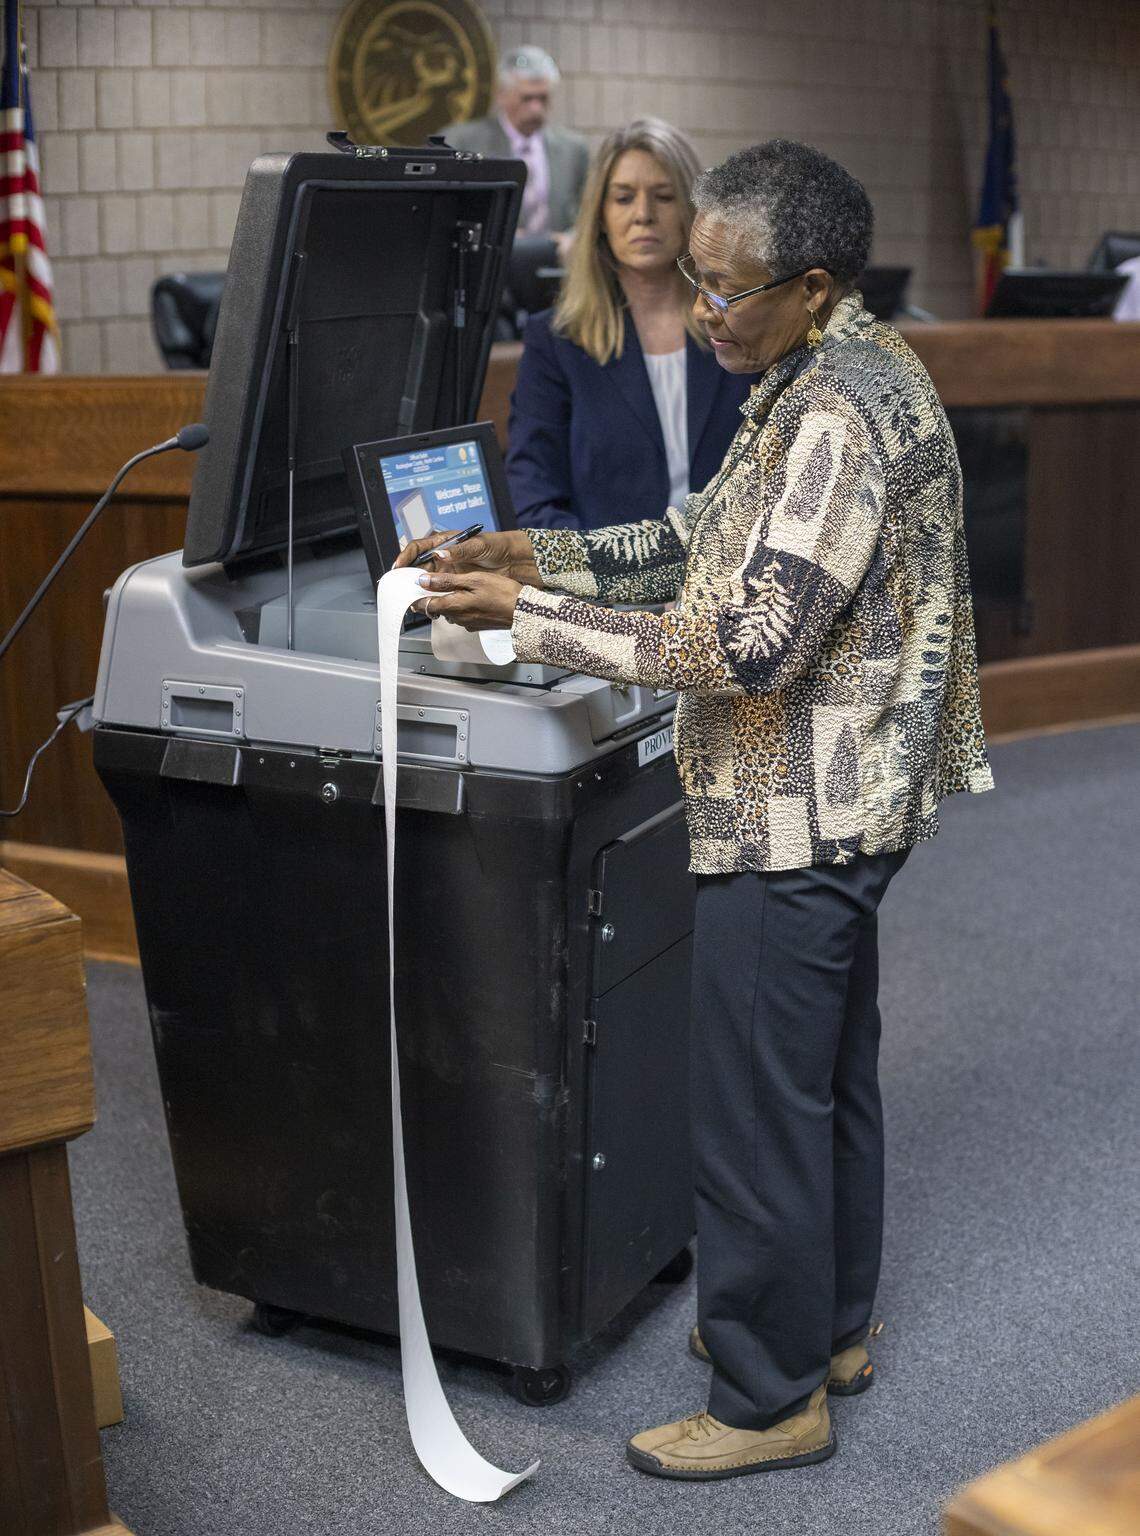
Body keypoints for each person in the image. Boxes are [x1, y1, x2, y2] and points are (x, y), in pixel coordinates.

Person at [400, 139, 993, 1481]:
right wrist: (531, 550)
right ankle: (825, 1328)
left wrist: (533, 621)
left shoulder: (834, 414)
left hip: (801, 808)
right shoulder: (826, 369)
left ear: (814, 282)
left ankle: (768, 1398)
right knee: (820, 1075)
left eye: (728, 288)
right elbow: (691, 541)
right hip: (849, 802)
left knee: (755, 1104)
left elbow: (749, 645)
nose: (704, 305)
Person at [506, 118, 755, 531]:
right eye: (623, 198)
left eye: (663, 196)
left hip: (733, 578)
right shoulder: (555, 341)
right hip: (606, 588)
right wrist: (605, 581)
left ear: (693, 215)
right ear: (600, 216)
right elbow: (535, 502)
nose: (643, 215)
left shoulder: (740, 328)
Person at [443, 46, 588, 252]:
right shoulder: (464, 142)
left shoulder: (573, 149)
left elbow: (589, 211)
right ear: (502, 95)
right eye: (527, 99)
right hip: (491, 260)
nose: (536, 108)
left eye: (543, 98)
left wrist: (572, 238)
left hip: (556, 262)